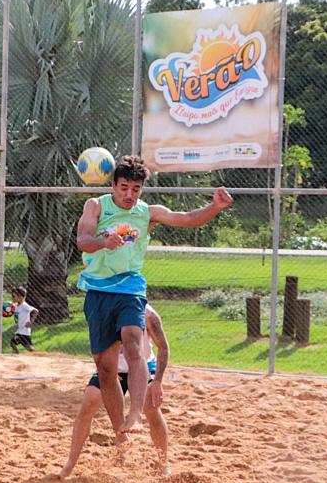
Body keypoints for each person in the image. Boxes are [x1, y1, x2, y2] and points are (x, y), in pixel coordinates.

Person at [77, 155, 232, 436]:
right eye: (124, 188)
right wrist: (103, 242)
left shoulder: (147, 212)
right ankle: (120, 430)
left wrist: (215, 207)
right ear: (113, 186)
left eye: (135, 189)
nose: (129, 194)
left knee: (133, 344)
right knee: (106, 368)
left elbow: (187, 219)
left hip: (130, 288)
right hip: (98, 290)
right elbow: (83, 241)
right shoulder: (96, 206)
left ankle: (136, 413)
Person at [59, 303, 170, 478]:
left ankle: (163, 464)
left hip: (142, 368)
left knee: (151, 407)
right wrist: (108, 371)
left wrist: (157, 381)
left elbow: (163, 347)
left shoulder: (147, 314)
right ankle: (70, 464)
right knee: (88, 404)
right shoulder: (104, 307)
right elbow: (98, 347)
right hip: (112, 368)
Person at [9, 286, 38, 354]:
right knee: (28, 348)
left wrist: (31, 322)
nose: (12, 298)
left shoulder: (24, 306)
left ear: (20, 297)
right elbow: (11, 312)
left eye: (14, 296)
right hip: (20, 331)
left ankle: (17, 354)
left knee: (13, 343)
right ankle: (35, 354)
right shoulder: (16, 306)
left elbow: (35, 311)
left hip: (24, 331)